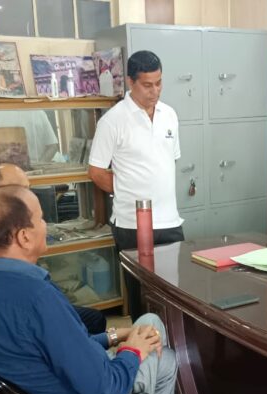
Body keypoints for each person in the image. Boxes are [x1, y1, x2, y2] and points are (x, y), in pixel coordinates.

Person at [0, 185, 177, 394]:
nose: (46, 225)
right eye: (41, 219)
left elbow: (61, 349)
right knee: (165, 357)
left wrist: (115, 336)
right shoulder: (38, 298)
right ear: (24, 237)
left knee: (149, 322)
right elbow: (105, 390)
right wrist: (132, 351)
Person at [0, 162, 106, 333]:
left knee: (89, 317)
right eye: (22, 190)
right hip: (4, 328)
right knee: (89, 322)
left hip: (16, 310)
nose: (30, 196)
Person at [88, 50, 184, 318]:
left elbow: (169, 161)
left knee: (175, 296)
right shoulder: (113, 121)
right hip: (132, 224)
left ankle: (172, 343)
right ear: (130, 82)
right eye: (147, 85)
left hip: (170, 222)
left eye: (159, 83)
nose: (155, 91)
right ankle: (144, 343)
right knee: (142, 297)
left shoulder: (169, 115)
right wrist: (128, 189)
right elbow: (96, 171)